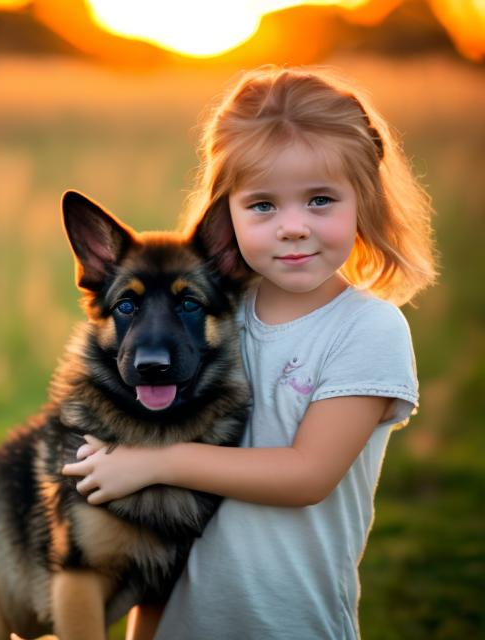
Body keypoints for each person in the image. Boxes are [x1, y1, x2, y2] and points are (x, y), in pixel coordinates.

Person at [61, 66, 437, 640]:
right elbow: (161, 544)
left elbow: (307, 474)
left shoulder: (367, 329)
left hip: (292, 624)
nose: (292, 227)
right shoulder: (210, 319)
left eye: (319, 200)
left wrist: (154, 462)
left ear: (364, 200)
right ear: (223, 215)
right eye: (262, 205)